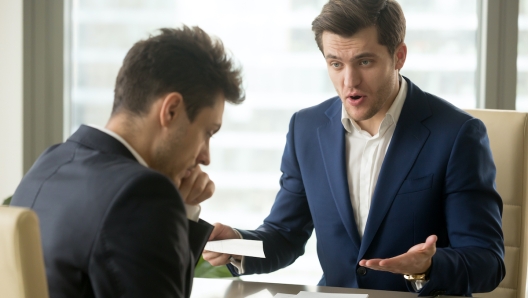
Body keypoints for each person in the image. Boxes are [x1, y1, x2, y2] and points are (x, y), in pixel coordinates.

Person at [203, 0, 505, 296]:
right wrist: (236, 243)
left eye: (364, 62)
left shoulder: (456, 135)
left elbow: (487, 260)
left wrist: (428, 267)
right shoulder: (306, 129)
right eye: (336, 64)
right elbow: (285, 235)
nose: (349, 81)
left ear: (399, 56)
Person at [11, 26, 244, 298]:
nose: (205, 156)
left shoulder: (50, 162)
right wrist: (182, 214)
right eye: (207, 132)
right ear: (171, 111)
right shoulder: (141, 195)